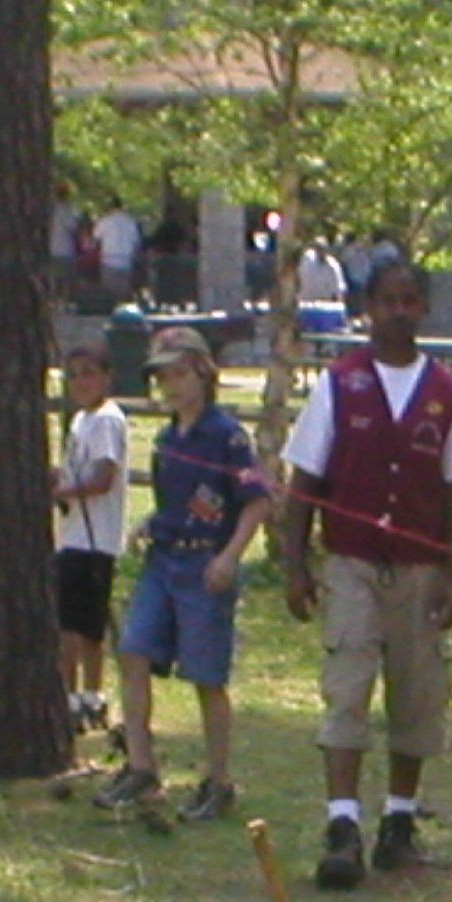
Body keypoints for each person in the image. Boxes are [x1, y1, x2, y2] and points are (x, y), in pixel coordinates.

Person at [282, 259, 452, 889]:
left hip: (421, 568)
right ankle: (342, 825)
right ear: (368, 308)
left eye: (411, 300)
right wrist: (296, 563)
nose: (400, 311)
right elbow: (304, 483)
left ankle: (399, 823)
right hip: (351, 564)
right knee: (348, 685)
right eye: (388, 300)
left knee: (417, 689)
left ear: (422, 309)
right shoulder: (339, 385)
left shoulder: (447, 394)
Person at [94, 326, 270, 821]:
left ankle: (219, 780)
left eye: (180, 374)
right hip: (164, 559)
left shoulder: (227, 436)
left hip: (206, 564)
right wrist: (152, 523)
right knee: (133, 651)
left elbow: (256, 502)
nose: (171, 386)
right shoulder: (169, 438)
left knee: (206, 675)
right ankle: (142, 766)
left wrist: (230, 556)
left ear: (203, 374)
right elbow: (177, 501)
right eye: (162, 377)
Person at [51, 344, 130, 733]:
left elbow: (102, 477)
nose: (80, 382)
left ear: (106, 377)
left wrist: (59, 494)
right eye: (73, 375)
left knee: (80, 628)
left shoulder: (106, 421)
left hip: (94, 541)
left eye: (88, 373)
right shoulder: (81, 420)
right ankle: (79, 697)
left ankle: (84, 697)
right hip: (73, 537)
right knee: (75, 623)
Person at [94, 196, 142, 304]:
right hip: (126, 260)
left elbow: (95, 238)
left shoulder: (105, 221)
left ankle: (111, 308)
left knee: (109, 290)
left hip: (109, 259)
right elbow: (136, 242)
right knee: (124, 290)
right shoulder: (130, 222)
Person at [49, 184, 81, 308]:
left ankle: (53, 302)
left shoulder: (52, 209)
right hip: (65, 248)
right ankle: (64, 303)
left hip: (52, 247)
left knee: (55, 278)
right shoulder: (66, 210)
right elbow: (72, 227)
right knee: (66, 278)